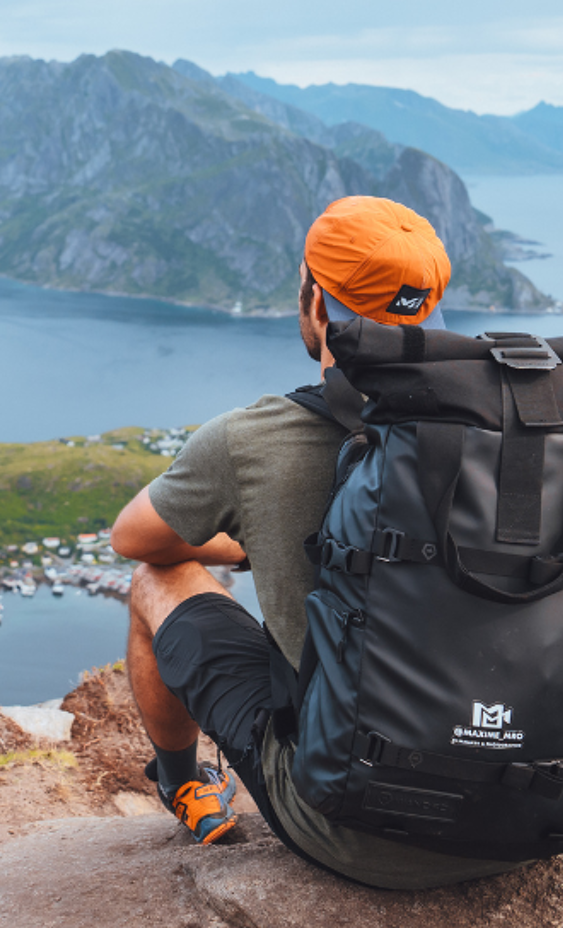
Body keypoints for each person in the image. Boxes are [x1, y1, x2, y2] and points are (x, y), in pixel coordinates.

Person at [108, 196, 527, 889]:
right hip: (524, 820)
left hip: (348, 825)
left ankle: (183, 784)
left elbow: (135, 537)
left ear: (313, 301)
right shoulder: (523, 426)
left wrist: (252, 538)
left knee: (157, 579)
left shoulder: (254, 439)